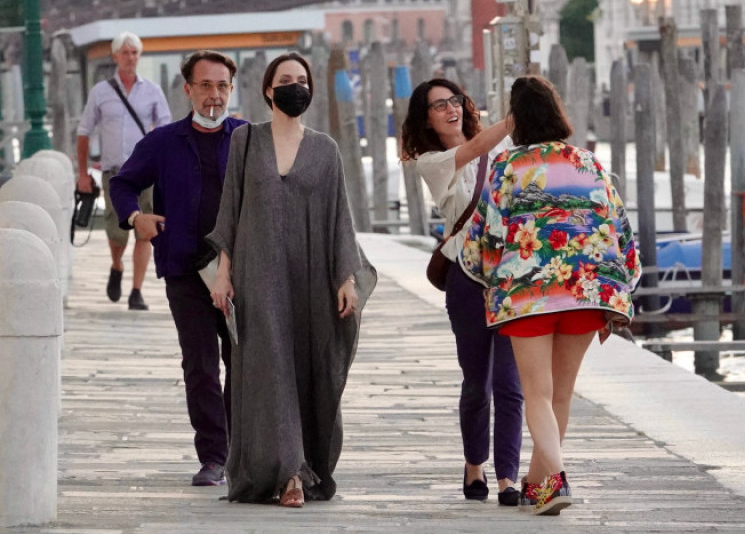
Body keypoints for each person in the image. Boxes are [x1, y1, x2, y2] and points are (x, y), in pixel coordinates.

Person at [461, 75, 641, 515]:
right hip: (588, 291)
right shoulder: (589, 163)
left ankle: (556, 480)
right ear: (557, 112)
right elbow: (621, 231)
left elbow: (485, 236)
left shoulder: (507, 166)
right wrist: (622, 284)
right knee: (560, 395)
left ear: (516, 118)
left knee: (537, 394)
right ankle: (538, 486)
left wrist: (488, 278)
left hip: (529, 294)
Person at [205, 52, 377, 507]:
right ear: (268, 89)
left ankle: (303, 464)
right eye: (285, 79)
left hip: (311, 280)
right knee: (270, 370)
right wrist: (223, 274)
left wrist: (346, 278)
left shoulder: (326, 149)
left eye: (302, 79)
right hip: (257, 276)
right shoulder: (245, 141)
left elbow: (340, 218)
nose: (294, 86)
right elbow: (230, 211)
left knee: (307, 371)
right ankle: (290, 474)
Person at [110, 50, 246, 487]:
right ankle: (213, 457)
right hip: (185, 269)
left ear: (231, 89)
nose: (214, 94)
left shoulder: (247, 139)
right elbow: (122, 183)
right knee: (200, 365)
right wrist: (136, 218)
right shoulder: (163, 142)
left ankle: (241, 451)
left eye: (222, 85)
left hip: (239, 272)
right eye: (205, 85)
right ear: (187, 89)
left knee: (243, 361)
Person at [400, 78, 524, 506]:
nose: (450, 109)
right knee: (477, 382)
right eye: (439, 106)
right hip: (465, 277)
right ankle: (474, 464)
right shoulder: (431, 161)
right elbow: (471, 151)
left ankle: (507, 476)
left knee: (509, 382)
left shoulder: (502, 149)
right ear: (426, 120)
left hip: (508, 276)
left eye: (454, 100)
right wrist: (515, 117)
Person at [76, 31, 171, 310]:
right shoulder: (101, 92)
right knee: (117, 231)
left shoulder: (153, 91)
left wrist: (167, 170)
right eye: (125, 53)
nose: (130, 58)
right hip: (115, 173)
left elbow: (166, 132)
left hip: (146, 172)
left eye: (135, 53)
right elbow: (84, 131)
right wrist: (82, 174)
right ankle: (117, 265)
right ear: (115, 56)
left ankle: (136, 291)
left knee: (145, 229)